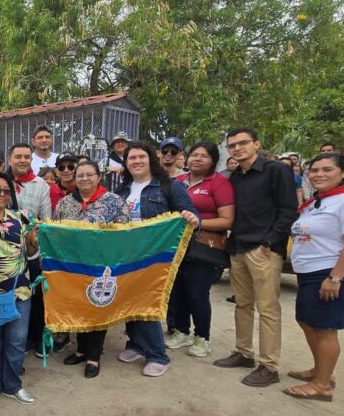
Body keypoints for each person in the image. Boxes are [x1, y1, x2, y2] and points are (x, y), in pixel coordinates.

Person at [213, 128, 299, 387]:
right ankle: (244, 353)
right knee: (242, 303)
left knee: (268, 308)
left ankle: (269, 366)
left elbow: (288, 210)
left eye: (243, 143)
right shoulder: (235, 177)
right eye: (232, 145)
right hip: (238, 246)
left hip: (263, 249)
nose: (237, 148)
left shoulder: (276, 170)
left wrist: (270, 242)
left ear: (256, 144)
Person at [284, 152, 344, 401]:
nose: (319, 174)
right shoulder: (318, 201)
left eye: (327, 169)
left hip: (333, 274)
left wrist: (335, 278)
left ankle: (322, 386)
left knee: (325, 329)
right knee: (307, 321)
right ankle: (321, 370)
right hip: (310, 274)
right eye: (314, 170)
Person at [116, 141, 200, 376]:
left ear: (151, 159)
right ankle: (135, 344)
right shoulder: (122, 190)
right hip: (127, 256)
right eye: (131, 158)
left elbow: (192, 214)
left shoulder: (170, 186)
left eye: (141, 156)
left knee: (146, 303)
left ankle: (157, 355)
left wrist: (193, 219)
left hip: (155, 257)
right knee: (128, 300)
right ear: (126, 163)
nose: (137, 161)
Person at [56, 161, 130, 377]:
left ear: (99, 177)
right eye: (80, 175)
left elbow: (125, 232)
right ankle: (81, 349)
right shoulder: (65, 203)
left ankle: (94, 357)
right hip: (73, 266)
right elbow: (56, 232)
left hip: (103, 265)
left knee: (98, 306)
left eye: (89, 174)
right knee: (79, 306)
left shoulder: (115, 201)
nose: (84, 179)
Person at [165, 142, 235, 358]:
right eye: (194, 154)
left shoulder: (219, 183)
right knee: (177, 291)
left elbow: (227, 220)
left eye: (204, 156)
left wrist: (197, 223)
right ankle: (181, 332)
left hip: (203, 247)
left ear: (213, 161)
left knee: (197, 293)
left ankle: (202, 337)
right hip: (177, 245)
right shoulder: (177, 181)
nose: (197, 159)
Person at [0, 172, 38, 404]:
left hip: (20, 289)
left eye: (6, 191)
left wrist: (33, 241)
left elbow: (31, 253)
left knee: (17, 340)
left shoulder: (22, 217)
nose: (2, 194)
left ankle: (12, 385)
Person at [7, 142, 55, 355]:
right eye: (18, 156)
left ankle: (39, 338)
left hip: (32, 250)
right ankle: (20, 338)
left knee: (36, 295)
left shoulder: (40, 184)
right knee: (13, 294)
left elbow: (46, 219)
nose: (23, 160)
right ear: (10, 159)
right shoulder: (2, 182)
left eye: (27, 157)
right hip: (6, 253)